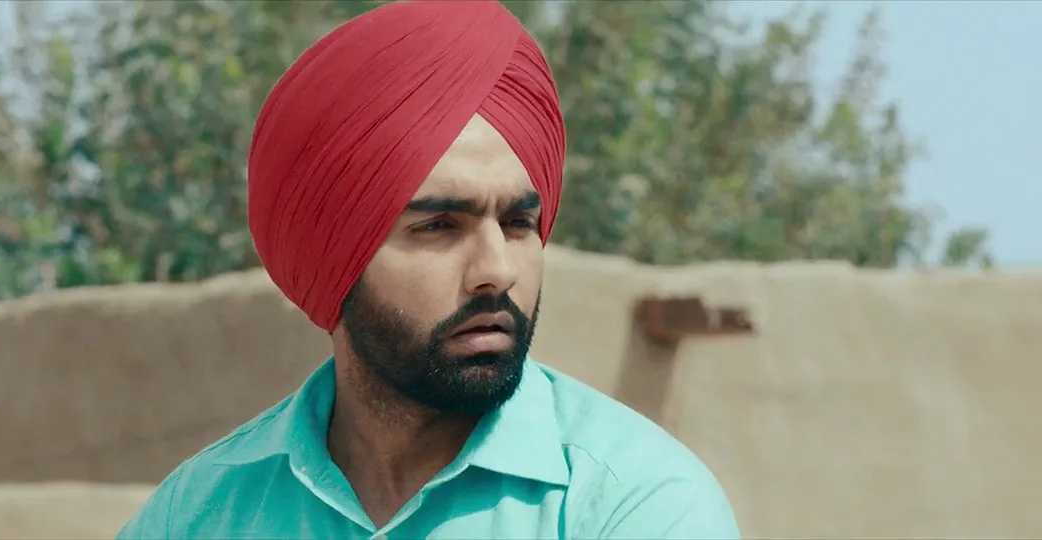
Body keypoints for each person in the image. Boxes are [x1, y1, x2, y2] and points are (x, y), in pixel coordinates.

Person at [117, 1, 740, 538]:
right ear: (335, 258)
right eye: (440, 225)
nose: (497, 270)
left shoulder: (633, 504)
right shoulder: (199, 512)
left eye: (518, 223)